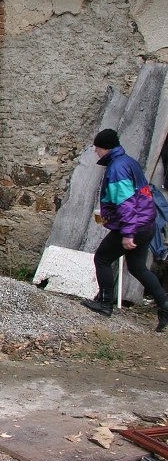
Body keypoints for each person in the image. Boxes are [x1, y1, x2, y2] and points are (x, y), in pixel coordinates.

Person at [80, 129, 168, 332]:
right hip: (146, 223)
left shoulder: (117, 168)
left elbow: (126, 203)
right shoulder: (129, 161)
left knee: (101, 258)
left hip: (133, 225)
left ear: (105, 148)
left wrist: (128, 233)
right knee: (138, 268)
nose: (95, 151)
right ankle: (164, 305)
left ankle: (104, 303)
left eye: (97, 148)